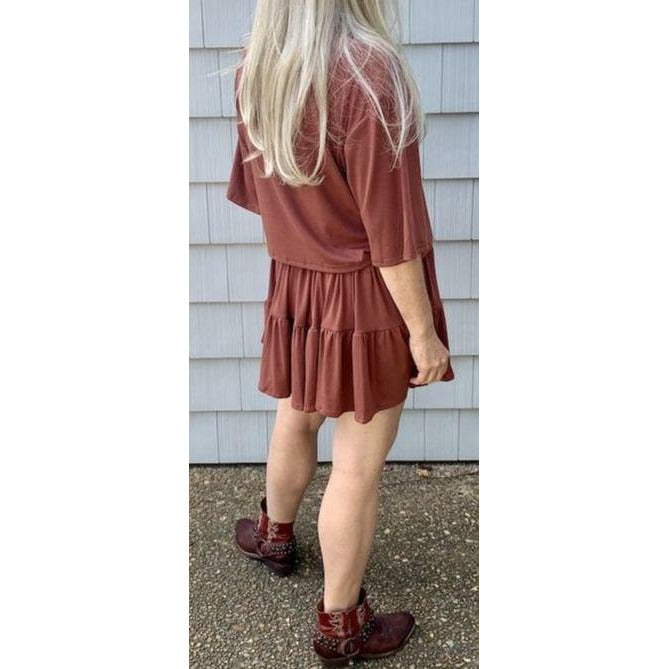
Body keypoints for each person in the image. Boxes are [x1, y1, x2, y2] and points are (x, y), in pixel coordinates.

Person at [225, 1, 454, 665]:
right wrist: (423, 335)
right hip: (364, 292)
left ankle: (274, 535)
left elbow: (257, 192)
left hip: (297, 285)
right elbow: (391, 237)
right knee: (356, 463)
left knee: (294, 416)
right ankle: (340, 625)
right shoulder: (371, 76)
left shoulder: (257, 65)